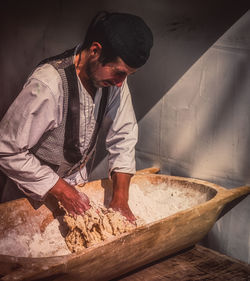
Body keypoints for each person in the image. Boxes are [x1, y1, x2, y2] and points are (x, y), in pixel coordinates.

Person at [0, 11, 153, 222]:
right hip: (28, 196)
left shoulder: (114, 81)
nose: (121, 82)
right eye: (118, 72)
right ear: (95, 51)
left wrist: (120, 199)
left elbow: (124, 134)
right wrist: (61, 189)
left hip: (77, 192)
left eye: (127, 75)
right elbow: (6, 150)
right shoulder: (48, 84)